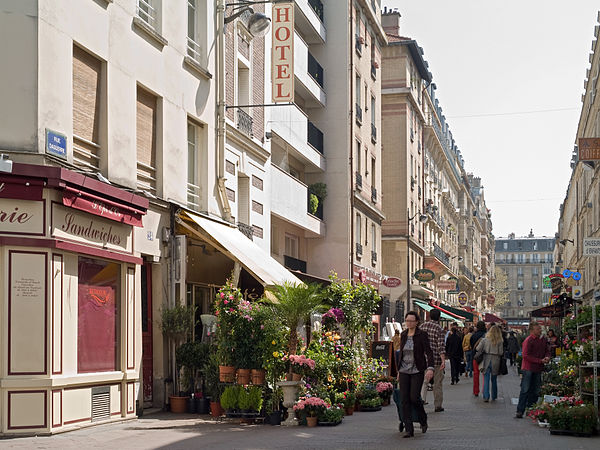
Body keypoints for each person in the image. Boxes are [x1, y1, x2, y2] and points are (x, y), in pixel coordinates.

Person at [396, 311, 435, 438]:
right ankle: (409, 429)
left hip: (417, 370)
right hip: (403, 371)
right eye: (407, 321)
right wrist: (398, 371)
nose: (409, 323)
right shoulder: (403, 335)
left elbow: (429, 352)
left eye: (411, 321)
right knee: (404, 400)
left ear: (417, 322)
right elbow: (401, 353)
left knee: (414, 398)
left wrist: (430, 368)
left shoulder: (422, 335)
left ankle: (423, 419)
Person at [515, 321, 550, 418]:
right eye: (538, 329)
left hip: (538, 368)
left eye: (540, 328)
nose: (540, 330)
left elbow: (547, 350)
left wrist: (547, 357)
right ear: (532, 331)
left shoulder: (542, 340)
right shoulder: (528, 340)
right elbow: (525, 356)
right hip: (528, 368)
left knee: (535, 390)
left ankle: (530, 409)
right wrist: (540, 360)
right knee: (525, 389)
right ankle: (520, 410)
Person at [420, 309, 446, 412]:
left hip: (423, 360)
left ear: (429, 316)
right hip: (436, 361)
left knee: (424, 382)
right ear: (439, 317)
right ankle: (438, 405)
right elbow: (441, 346)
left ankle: (422, 400)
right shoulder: (439, 328)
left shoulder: (422, 327)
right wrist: (443, 360)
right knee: (437, 383)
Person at [474, 324, 504, 402]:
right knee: (494, 379)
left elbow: (477, 348)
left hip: (486, 360)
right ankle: (494, 396)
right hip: (496, 360)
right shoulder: (500, 341)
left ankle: (486, 396)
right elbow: (501, 352)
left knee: (486, 378)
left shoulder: (485, 339)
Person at [470, 321, 487, 397]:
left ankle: (476, 391)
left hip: (475, 357)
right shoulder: (486, 336)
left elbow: (471, 346)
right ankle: (485, 391)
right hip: (484, 357)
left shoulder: (473, 336)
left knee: (476, 374)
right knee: (484, 375)